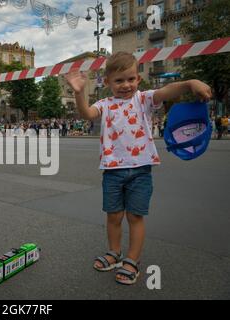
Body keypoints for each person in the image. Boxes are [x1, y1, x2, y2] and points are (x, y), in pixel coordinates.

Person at [65, 51, 212, 285]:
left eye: (131, 79)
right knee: (113, 216)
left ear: (138, 79)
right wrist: (79, 92)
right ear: (107, 82)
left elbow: (167, 90)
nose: (126, 85)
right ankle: (114, 253)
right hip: (113, 171)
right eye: (119, 80)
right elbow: (87, 114)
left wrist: (190, 83)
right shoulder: (104, 104)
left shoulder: (143, 99)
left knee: (135, 216)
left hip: (141, 170)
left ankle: (132, 259)